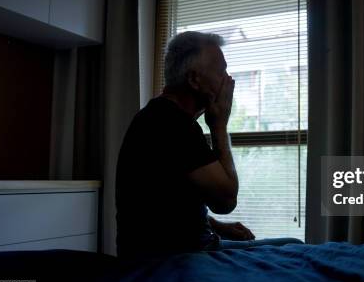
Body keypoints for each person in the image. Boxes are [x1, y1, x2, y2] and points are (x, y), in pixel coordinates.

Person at [115, 31, 302, 258]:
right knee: (294, 247)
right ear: (194, 80)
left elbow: (165, 206)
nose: (229, 80)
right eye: (221, 71)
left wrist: (218, 227)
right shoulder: (172, 124)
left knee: (290, 244)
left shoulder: (158, 116)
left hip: (185, 247)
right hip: (173, 260)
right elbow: (226, 201)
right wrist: (219, 126)